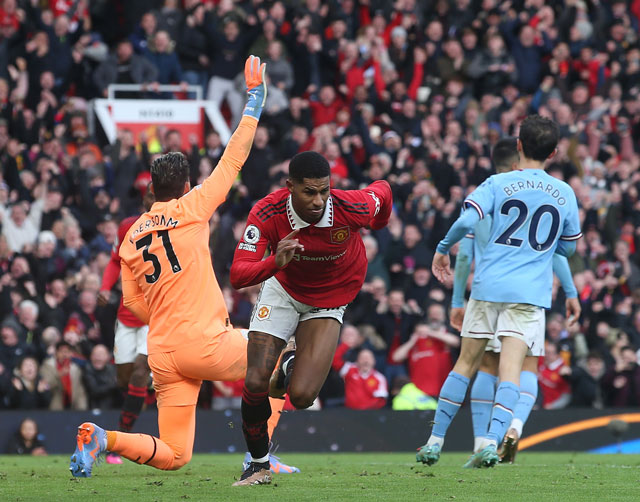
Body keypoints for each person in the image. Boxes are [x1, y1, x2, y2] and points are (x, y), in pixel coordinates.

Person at [69, 56, 290, 480]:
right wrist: (254, 101)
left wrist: (168, 314)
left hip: (164, 353)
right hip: (205, 342)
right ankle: (258, 457)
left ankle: (102, 438)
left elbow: (133, 304)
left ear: (151, 189)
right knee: (280, 352)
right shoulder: (193, 208)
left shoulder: (131, 235)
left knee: (174, 453)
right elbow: (233, 159)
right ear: (185, 187)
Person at [416, 115, 582, 468]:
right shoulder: (565, 193)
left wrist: (443, 248)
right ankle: (491, 442)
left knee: (466, 364)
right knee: (511, 371)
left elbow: (466, 222)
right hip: (529, 297)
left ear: (519, 146)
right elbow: (567, 250)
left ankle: (434, 442)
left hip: (488, 288)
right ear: (553, 152)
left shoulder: (496, 183)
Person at [229, 150, 392, 484]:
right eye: (309, 192)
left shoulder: (352, 206)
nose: (319, 200)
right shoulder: (267, 211)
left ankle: (290, 363)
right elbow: (237, 274)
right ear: (290, 186)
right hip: (283, 288)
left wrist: (379, 222)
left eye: (324, 191)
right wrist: (274, 262)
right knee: (256, 379)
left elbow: (384, 190)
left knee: (302, 397)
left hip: (331, 297)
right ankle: (258, 465)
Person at [97, 189, 155, 464]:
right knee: (124, 378)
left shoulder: (176, 228)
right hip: (126, 313)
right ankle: (149, 385)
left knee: (140, 372)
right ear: (144, 198)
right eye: (151, 195)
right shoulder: (127, 227)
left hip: (154, 315)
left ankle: (121, 440)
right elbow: (114, 260)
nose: (154, 200)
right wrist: (106, 287)